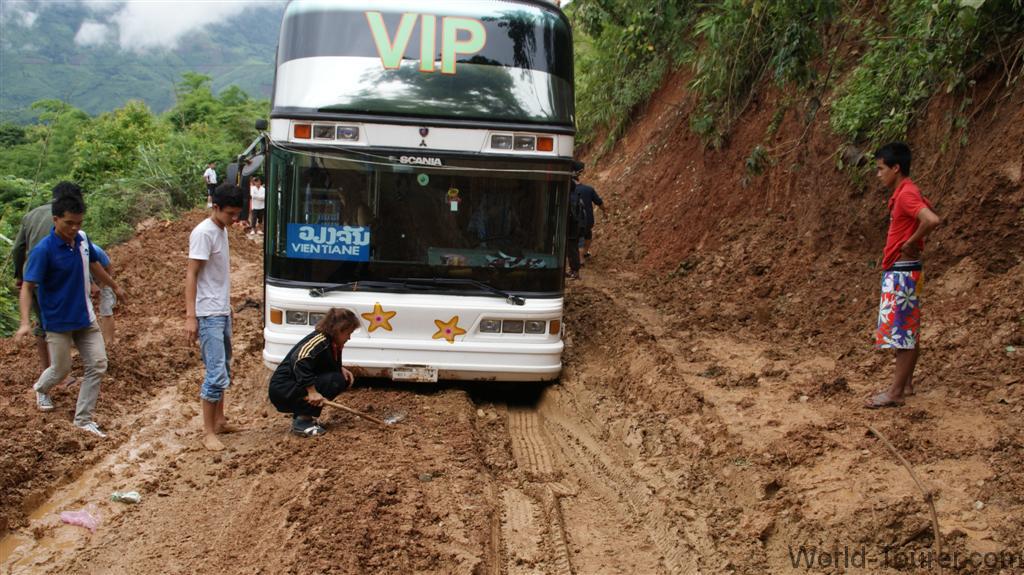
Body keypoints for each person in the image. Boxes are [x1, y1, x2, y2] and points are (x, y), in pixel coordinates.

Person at [14, 193, 127, 438]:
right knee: (61, 369)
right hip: (57, 321)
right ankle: (41, 388)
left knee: (98, 364)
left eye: (79, 223)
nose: (74, 229)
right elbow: (27, 286)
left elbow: (94, 264)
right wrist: (24, 322)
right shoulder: (43, 251)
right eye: (69, 223)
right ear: (55, 219)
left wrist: (113, 286)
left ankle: (83, 419)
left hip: (85, 318)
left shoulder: (83, 240)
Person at [865, 142, 941, 409]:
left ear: (896, 168)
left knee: (903, 332)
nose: (878, 174)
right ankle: (905, 384)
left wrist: (911, 241)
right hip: (903, 269)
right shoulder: (906, 192)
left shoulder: (907, 194)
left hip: (902, 270)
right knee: (908, 329)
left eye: (881, 169)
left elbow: (931, 220)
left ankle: (896, 392)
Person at [184, 183, 244, 451]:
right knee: (215, 372)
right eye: (230, 213)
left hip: (221, 310)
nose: (234, 219)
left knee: (225, 368)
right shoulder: (203, 233)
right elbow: (192, 274)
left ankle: (219, 420)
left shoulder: (222, 230)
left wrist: (227, 305)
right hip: (208, 314)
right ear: (216, 207)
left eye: (237, 214)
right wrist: (191, 316)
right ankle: (208, 432)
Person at [12, 182, 86, 381]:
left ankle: (49, 370)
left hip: (33, 277)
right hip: (54, 277)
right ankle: (59, 375)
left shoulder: (32, 215)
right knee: (56, 324)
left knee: (43, 323)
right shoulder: (71, 220)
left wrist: (20, 275)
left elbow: (18, 248)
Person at [268, 308, 358, 437]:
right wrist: (312, 391)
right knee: (334, 380)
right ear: (338, 330)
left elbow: (318, 362)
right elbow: (299, 360)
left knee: (340, 378)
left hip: (293, 386)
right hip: (283, 389)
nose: (349, 337)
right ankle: (303, 421)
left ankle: (303, 414)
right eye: (348, 333)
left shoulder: (331, 342)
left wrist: (339, 368)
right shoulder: (319, 340)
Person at [572, 160, 606, 262]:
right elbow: (599, 203)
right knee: (587, 234)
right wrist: (605, 211)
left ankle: (580, 258)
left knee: (579, 238)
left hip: (575, 221)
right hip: (588, 221)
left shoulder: (569, 191)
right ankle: (584, 253)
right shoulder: (589, 189)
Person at [91, 244, 117, 345]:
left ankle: (109, 342)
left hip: (102, 281)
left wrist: (101, 286)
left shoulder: (96, 251)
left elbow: (109, 270)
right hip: (84, 283)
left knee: (106, 309)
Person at [565, 177, 584, 280]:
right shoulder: (575, 197)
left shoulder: (570, 198)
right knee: (572, 249)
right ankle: (573, 270)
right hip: (576, 227)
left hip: (572, 227)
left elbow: (572, 215)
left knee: (572, 249)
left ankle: (575, 271)